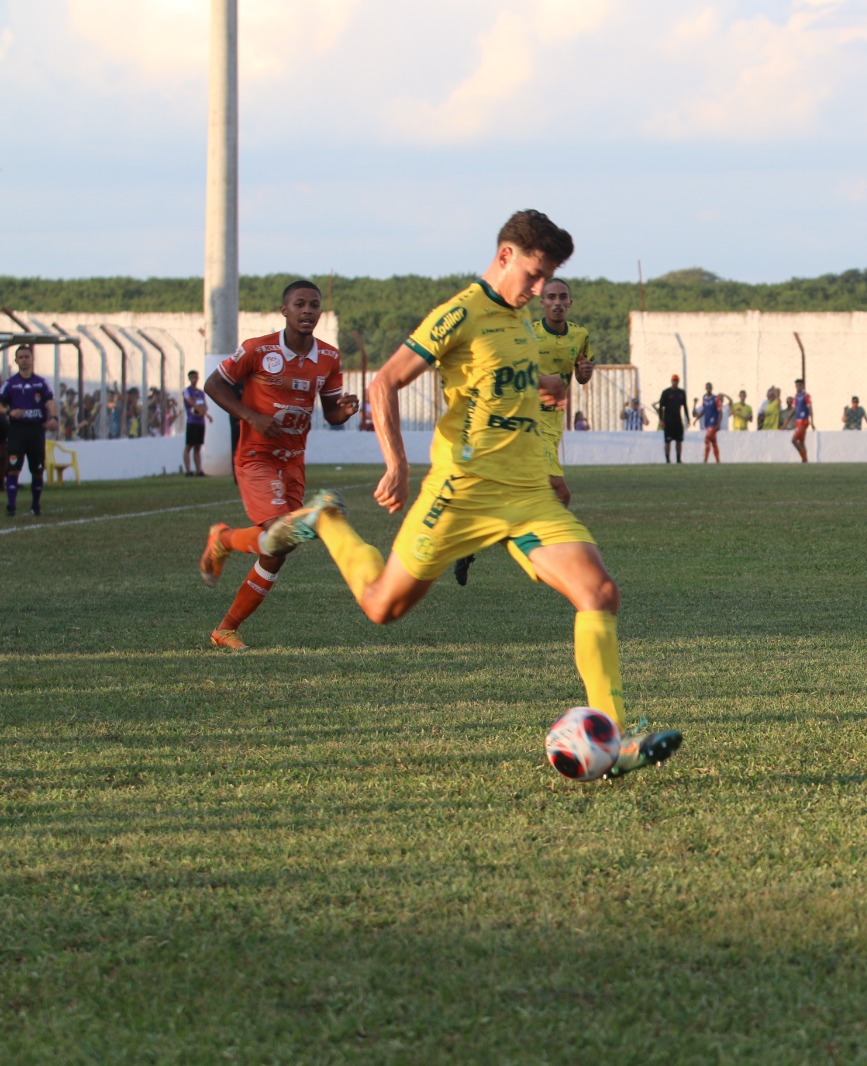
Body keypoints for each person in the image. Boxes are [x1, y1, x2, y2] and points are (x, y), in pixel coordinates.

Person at [273, 209, 680, 778]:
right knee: (381, 607)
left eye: (550, 281)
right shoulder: (460, 313)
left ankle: (614, 741)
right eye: (535, 276)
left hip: (526, 493)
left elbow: (507, 375)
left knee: (600, 592)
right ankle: (327, 519)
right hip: (460, 493)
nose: (540, 291)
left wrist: (548, 385)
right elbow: (384, 381)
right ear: (506, 255)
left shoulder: (519, 321)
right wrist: (397, 463)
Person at [195, 279, 359, 650]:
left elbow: (331, 414)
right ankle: (222, 548)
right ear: (284, 310)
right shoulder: (258, 349)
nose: (307, 311)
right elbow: (214, 385)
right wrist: (250, 417)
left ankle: (225, 627)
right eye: (299, 304)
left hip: (293, 461)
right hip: (257, 456)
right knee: (279, 532)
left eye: (314, 305)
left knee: (279, 548)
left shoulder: (329, 358)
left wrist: (343, 411)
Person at [529, 277, 593, 507]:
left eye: (563, 297)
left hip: (554, 422)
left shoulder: (579, 336)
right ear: (542, 302)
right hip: (529, 420)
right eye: (551, 297)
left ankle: (533, 536)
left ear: (570, 302)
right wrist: (541, 381)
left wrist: (585, 372)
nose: (557, 302)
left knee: (536, 492)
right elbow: (514, 374)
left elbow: (581, 376)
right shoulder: (529, 335)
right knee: (561, 493)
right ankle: (555, 539)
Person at [1, 344, 59, 517]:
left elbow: (50, 401)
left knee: (37, 469)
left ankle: (35, 505)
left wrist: (54, 418)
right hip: (17, 431)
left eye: (27, 357)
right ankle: (11, 506)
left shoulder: (41, 383)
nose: (24, 360)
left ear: (32, 360)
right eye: (21, 357)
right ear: (16, 361)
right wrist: (10, 412)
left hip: (36, 431)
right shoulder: (10, 384)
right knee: (13, 469)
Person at [181, 369, 212, 476]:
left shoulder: (201, 393)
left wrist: (203, 411)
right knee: (189, 446)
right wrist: (203, 412)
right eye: (192, 377)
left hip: (200, 422)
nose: (195, 379)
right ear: (189, 378)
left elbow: (205, 405)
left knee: (198, 446)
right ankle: (188, 470)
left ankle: (199, 470)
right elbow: (191, 403)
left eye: (196, 377)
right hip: (192, 422)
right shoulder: (187, 391)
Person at [657, 373, 689, 463]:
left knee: (679, 440)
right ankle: (667, 459)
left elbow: (685, 406)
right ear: (671, 381)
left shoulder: (681, 393)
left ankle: (678, 459)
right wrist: (661, 419)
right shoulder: (666, 392)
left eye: (676, 380)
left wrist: (688, 418)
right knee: (668, 441)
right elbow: (661, 407)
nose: (675, 382)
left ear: (678, 381)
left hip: (678, 420)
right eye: (673, 380)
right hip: (668, 420)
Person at [694, 382, 724, 463]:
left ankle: (705, 460)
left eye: (710, 387)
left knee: (707, 440)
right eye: (707, 387)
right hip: (707, 424)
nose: (708, 389)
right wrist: (696, 419)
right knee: (713, 442)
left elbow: (720, 411)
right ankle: (718, 461)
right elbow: (704, 410)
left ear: (712, 388)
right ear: (705, 388)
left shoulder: (716, 399)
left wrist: (719, 423)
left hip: (713, 423)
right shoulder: (705, 399)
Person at [791, 378, 814, 462]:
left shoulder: (806, 396)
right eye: (796, 386)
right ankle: (805, 460)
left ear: (803, 386)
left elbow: (810, 408)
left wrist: (812, 421)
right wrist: (787, 420)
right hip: (798, 421)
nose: (798, 387)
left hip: (803, 421)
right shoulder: (796, 396)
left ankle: (804, 458)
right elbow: (794, 409)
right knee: (801, 442)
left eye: (799, 385)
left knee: (793, 440)